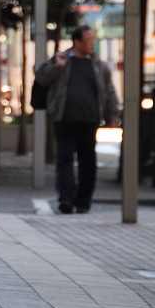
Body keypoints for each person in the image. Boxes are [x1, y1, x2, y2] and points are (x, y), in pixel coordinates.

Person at [35, 24, 121, 215]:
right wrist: (56, 66)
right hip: (64, 119)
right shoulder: (62, 60)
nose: (92, 43)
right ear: (77, 42)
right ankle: (66, 199)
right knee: (64, 160)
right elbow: (42, 78)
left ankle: (83, 201)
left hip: (89, 120)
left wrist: (112, 115)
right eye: (89, 40)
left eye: (93, 39)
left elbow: (109, 92)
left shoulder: (98, 65)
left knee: (87, 162)